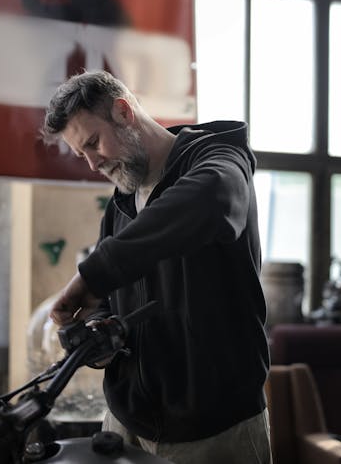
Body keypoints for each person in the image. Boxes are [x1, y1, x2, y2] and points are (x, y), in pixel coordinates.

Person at [42, 70, 271, 464]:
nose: (93, 164)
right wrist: (97, 338)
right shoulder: (121, 206)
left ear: (124, 111)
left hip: (215, 429)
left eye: (94, 143)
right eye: (83, 154)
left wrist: (94, 275)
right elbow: (109, 304)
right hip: (124, 423)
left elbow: (206, 202)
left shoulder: (220, 162)